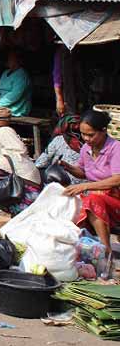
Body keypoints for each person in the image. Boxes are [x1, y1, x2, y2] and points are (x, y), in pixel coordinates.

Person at [63, 110, 120, 263]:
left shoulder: (116, 148)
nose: (86, 139)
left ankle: (106, 251)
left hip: (115, 200)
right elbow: (82, 172)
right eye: (83, 134)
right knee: (69, 202)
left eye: (91, 134)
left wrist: (86, 186)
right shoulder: (86, 149)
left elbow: (117, 179)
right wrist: (68, 167)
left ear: (103, 131)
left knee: (93, 200)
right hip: (97, 197)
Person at [0, 50, 32, 117]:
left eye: (11, 58)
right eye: (9, 58)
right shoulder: (5, 72)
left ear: (18, 60)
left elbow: (15, 95)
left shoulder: (22, 75)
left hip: (17, 109)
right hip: (2, 105)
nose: (8, 60)